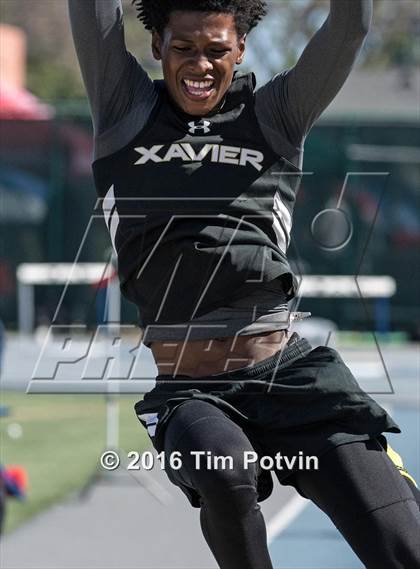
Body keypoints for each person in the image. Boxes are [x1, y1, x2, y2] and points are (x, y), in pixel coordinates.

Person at [69, 1, 420, 567]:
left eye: (216, 50)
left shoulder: (276, 113)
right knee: (223, 468)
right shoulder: (124, 110)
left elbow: (351, 25)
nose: (200, 65)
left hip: (295, 381)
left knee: (406, 547)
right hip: (193, 392)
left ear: (241, 49)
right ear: (157, 45)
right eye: (183, 48)